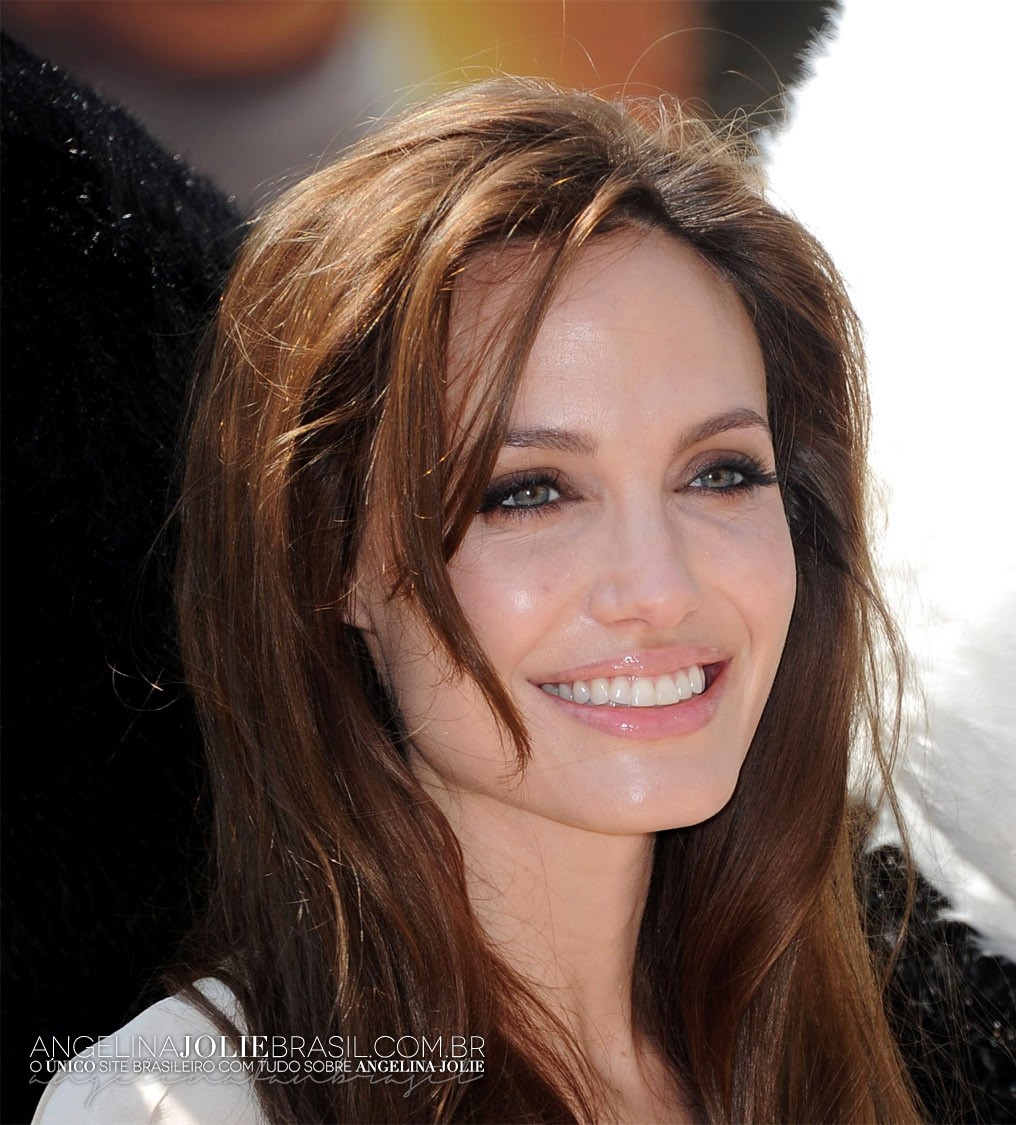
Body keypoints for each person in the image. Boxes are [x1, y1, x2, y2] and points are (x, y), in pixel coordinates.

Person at [33, 77, 922, 1124]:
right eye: (529, 492)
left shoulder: (801, 1053)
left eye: (720, 472)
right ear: (335, 563)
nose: (660, 589)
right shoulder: (181, 1104)